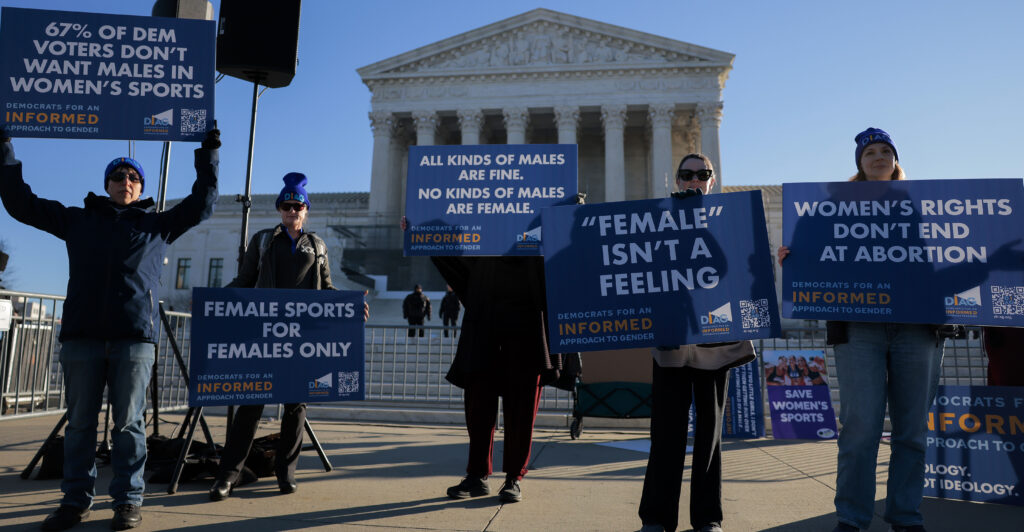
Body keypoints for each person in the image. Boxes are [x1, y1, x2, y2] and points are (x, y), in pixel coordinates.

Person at [0, 125, 220, 531]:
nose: (126, 182)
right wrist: (5, 148)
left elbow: (202, 205)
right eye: (118, 176)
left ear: (141, 187)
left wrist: (208, 155)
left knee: (129, 424)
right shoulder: (79, 220)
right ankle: (74, 501)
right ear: (106, 184)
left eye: (133, 177)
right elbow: (20, 204)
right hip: (83, 337)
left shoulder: (159, 226)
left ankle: (127, 500)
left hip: (134, 339)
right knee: (80, 424)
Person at [778, 128, 943, 532]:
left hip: (916, 328)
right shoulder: (831, 212)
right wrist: (794, 262)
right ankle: (852, 518)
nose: (879, 156)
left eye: (886, 150)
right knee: (860, 430)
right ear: (860, 164)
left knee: (911, 432)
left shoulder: (927, 207)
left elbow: (949, 254)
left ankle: (906, 516)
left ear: (896, 162)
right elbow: (819, 257)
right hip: (859, 329)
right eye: (870, 151)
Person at [209, 172, 367, 501]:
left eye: (297, 206)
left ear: (306, 210)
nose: (292, 210)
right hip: (265, 334)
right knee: (250, 405)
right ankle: (228, 475)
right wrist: (214, 303)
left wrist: (348, 306)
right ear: (279, 209)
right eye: (286, 205)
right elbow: (244, 280)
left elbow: (326, 289)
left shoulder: (317, 245)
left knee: (296, 406)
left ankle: (286, 472)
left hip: (301, 337)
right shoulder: (264, 240)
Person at [639, 153, 756, 532]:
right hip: (671, 339)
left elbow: (730, 267)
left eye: (701, 174)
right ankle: (656, 518)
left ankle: (707, 517)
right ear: (677, 179)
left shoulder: (730, 219)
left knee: (710, 432)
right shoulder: (658, 218)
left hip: (715, 339)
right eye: (686, 175)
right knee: (666, 432)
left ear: (712, 179)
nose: (694, 180)